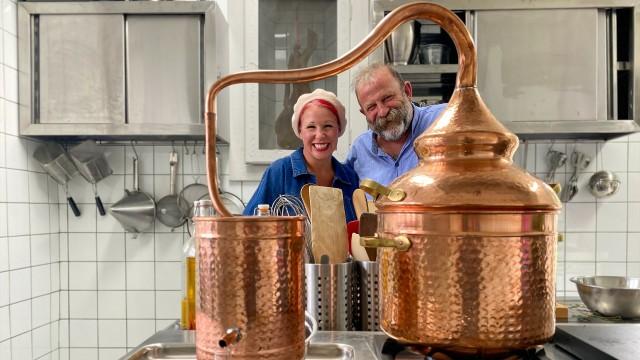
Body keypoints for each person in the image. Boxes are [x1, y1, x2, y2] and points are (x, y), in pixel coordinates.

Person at [244, 89, 359, 222]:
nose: (320, 135)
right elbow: (249, 227)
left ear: (338, 130)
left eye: (328, 126)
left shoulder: (350, 178)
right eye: (311, 127)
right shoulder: (279, 172)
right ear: (300, 131)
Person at [345, 63, 447, 186]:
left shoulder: (444, 119)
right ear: (364, 113)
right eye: (371, 107)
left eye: (387, 98)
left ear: (407, 91)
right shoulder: (359, 150)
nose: (383, 112)